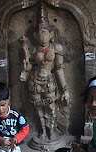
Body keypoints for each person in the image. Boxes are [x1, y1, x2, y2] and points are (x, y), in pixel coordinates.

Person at [19, 5, 70, 140]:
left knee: (51, 106)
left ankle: (51, 130)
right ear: (35, 35)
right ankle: (42, 129)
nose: (43, 35)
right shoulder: (33, 50)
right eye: (40, 33)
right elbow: (28, 66)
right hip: (34, 81)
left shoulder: (56, 48)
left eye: (45, 32)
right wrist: (24, 48)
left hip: (49, 81)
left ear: (51, 34)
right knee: (38, 108)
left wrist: (65, 89)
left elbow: (59, 69)